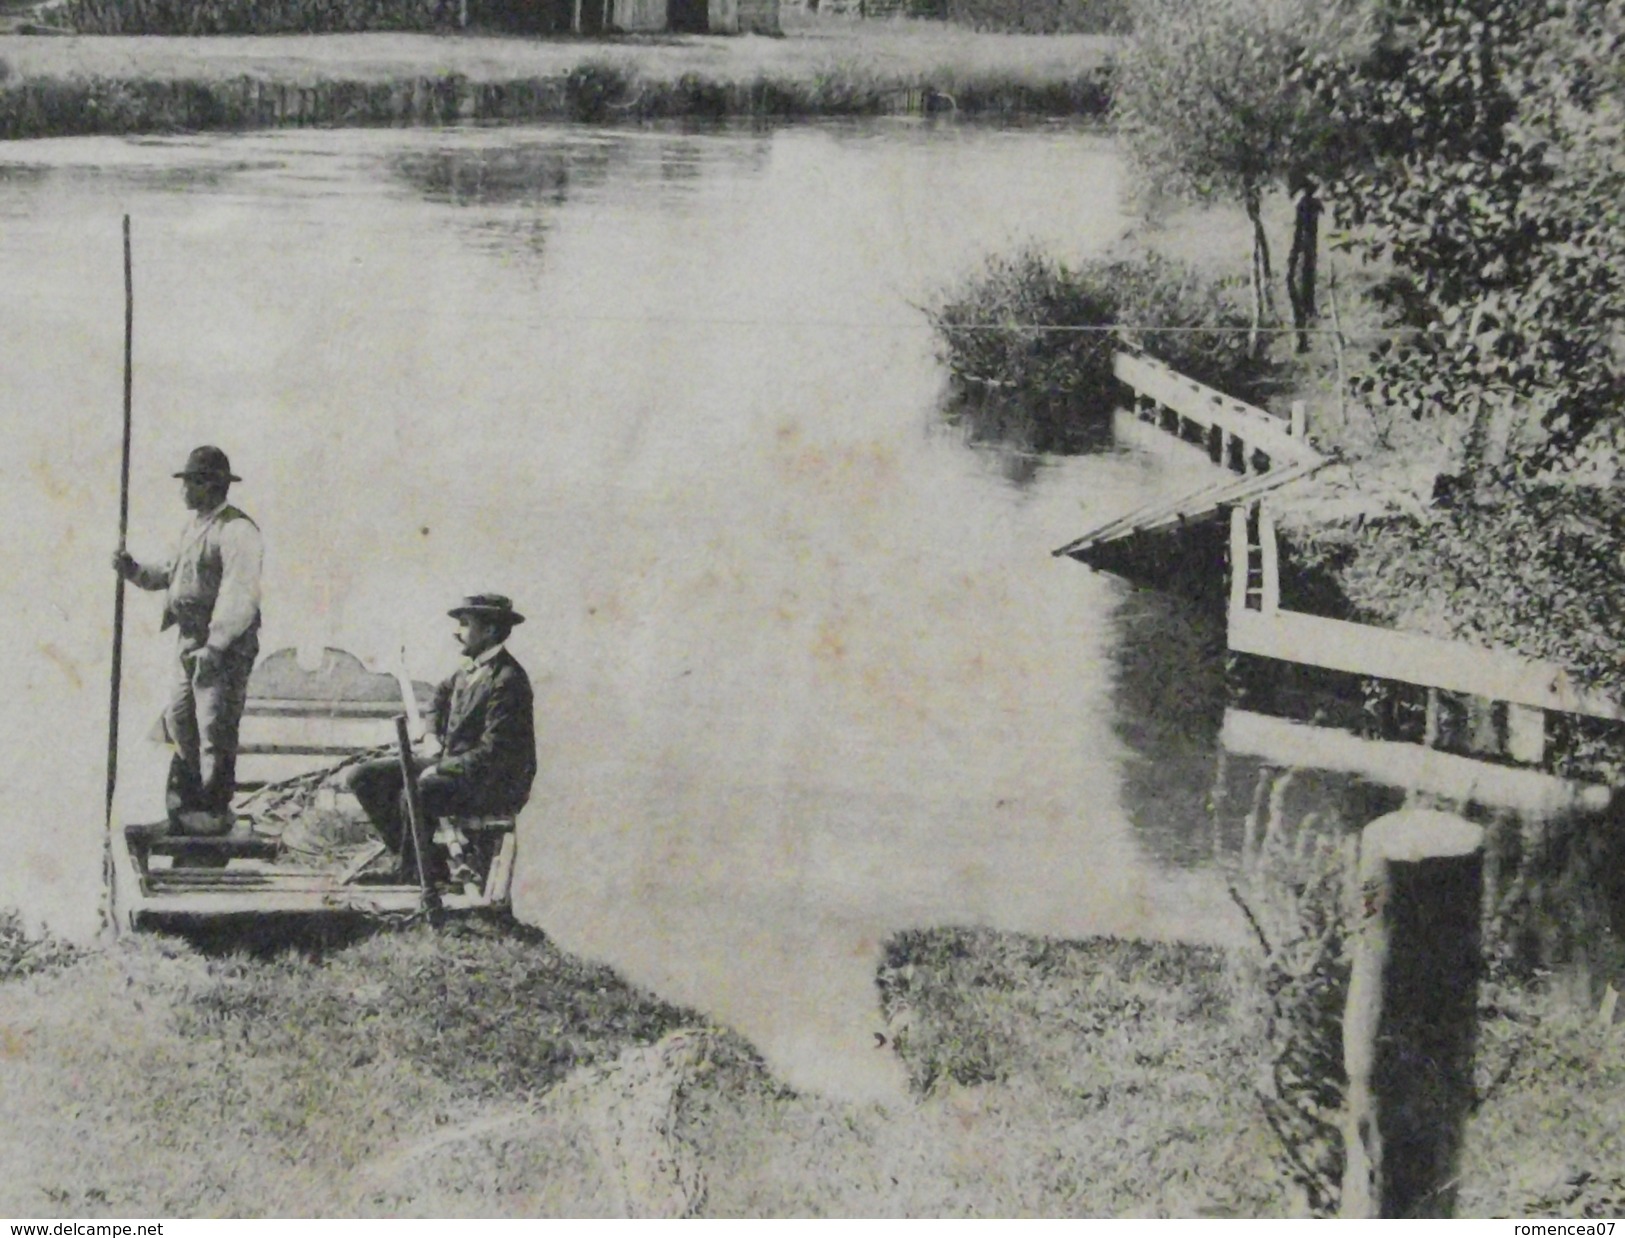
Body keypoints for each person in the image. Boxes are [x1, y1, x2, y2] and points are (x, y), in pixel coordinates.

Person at [114, 445, 264, 835]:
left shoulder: (237, 530)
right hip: (188, 640)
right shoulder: (192, 528)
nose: (183, 490)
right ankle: (188, 806)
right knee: (181, 720)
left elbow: (239, 594)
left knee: (215, 725)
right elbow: (169, 573)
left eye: (191, 482)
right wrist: (133, 571)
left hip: (223, 647)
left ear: (210, 486)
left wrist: (215, 646)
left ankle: (214, 810)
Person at [345, 594, 537, 882]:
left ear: (490, 630)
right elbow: (438, 699)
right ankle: (423, 863)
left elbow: (495, 752)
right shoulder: (467, 669)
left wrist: (441, 767)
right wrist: (433, 735)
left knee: (421, 790)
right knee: (364, 777)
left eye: (464, 624)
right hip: (461, 769)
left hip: (495, 783)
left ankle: (415, 873)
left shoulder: (508, 680)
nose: (456, 632)